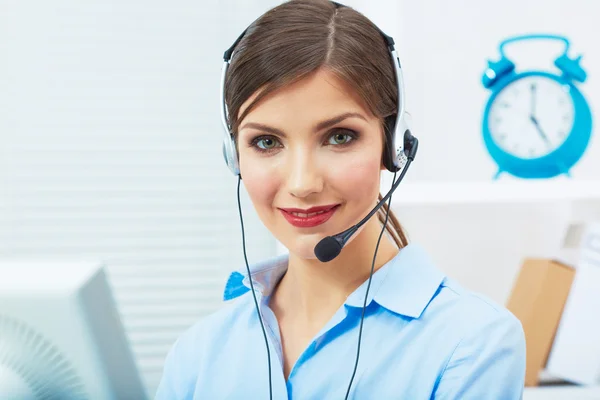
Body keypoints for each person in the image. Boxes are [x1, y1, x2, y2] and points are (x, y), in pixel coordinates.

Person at [155, 1, 526, 399]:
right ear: (235, 156)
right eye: (266, 142)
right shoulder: (198, 354)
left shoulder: (472, 344)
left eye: (339, 137)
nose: (302, 184)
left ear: (395, 144)